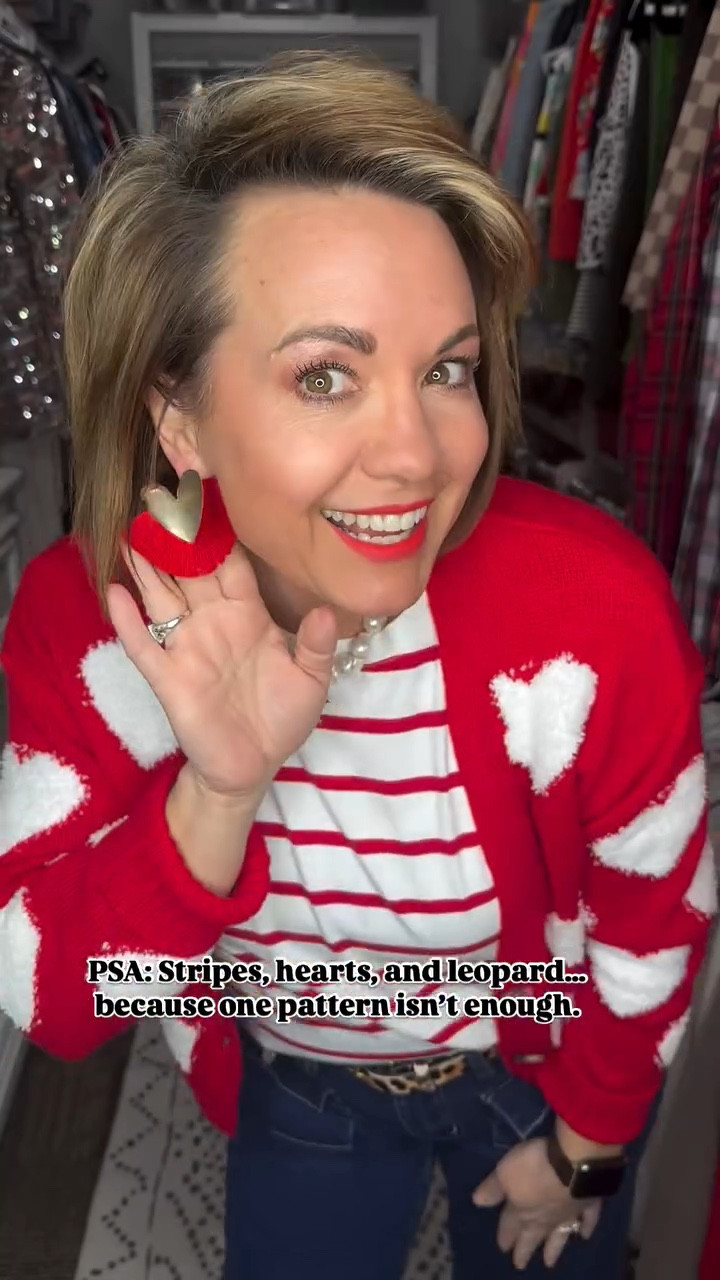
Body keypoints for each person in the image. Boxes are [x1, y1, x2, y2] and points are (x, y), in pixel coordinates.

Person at [0, 53, 714, 1280]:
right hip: (300, 1088)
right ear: (178, 412)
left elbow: (655, 910)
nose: (420, 453)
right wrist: (215, 791)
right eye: (324, 375)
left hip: (535, 1071)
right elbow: (65, 996)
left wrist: (591, 1141)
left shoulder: (588, 607)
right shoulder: (93, 621)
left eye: (445, 368)